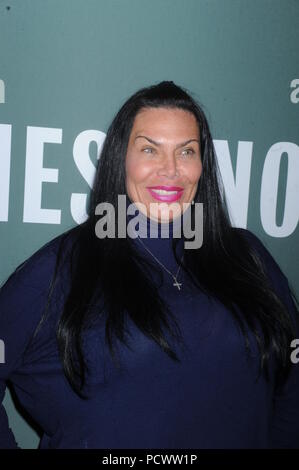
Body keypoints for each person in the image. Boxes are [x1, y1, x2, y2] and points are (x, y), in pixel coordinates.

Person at [0, 81, 299, 449]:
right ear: (119, 159)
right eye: (149, 150)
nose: (170, 170)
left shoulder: (245, 254)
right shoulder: (62, 267)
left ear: (202, 164)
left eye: (186, 151)